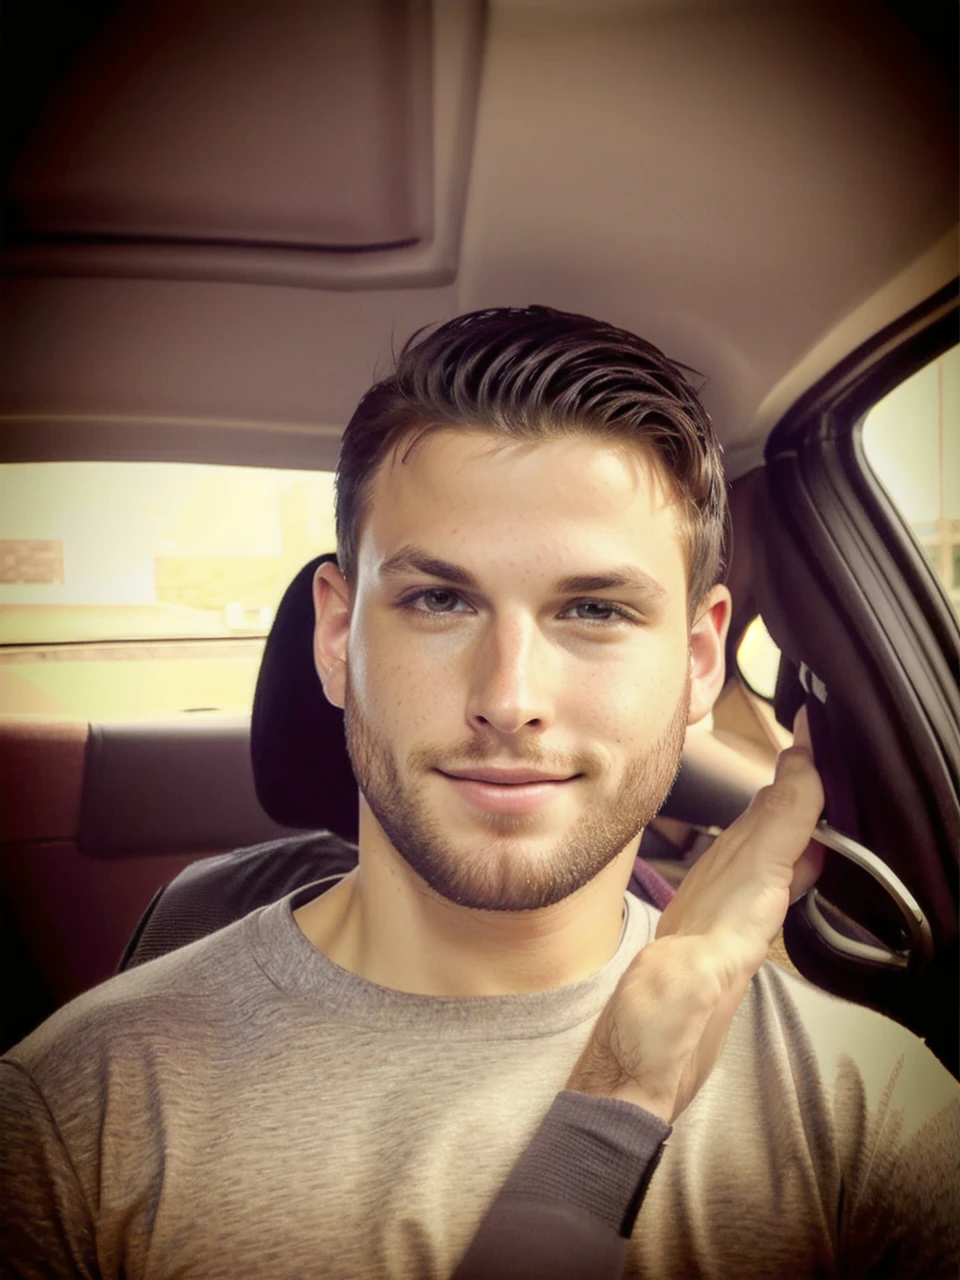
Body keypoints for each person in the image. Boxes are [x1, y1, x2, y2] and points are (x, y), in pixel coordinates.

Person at [1, 306, 957, 1280]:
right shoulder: (71, 1110)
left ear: (702, 657)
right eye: (438, 599)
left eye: (595, 609)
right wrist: (623, 1091)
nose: (509, 699)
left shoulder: (874, 1109)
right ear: (336, 637)